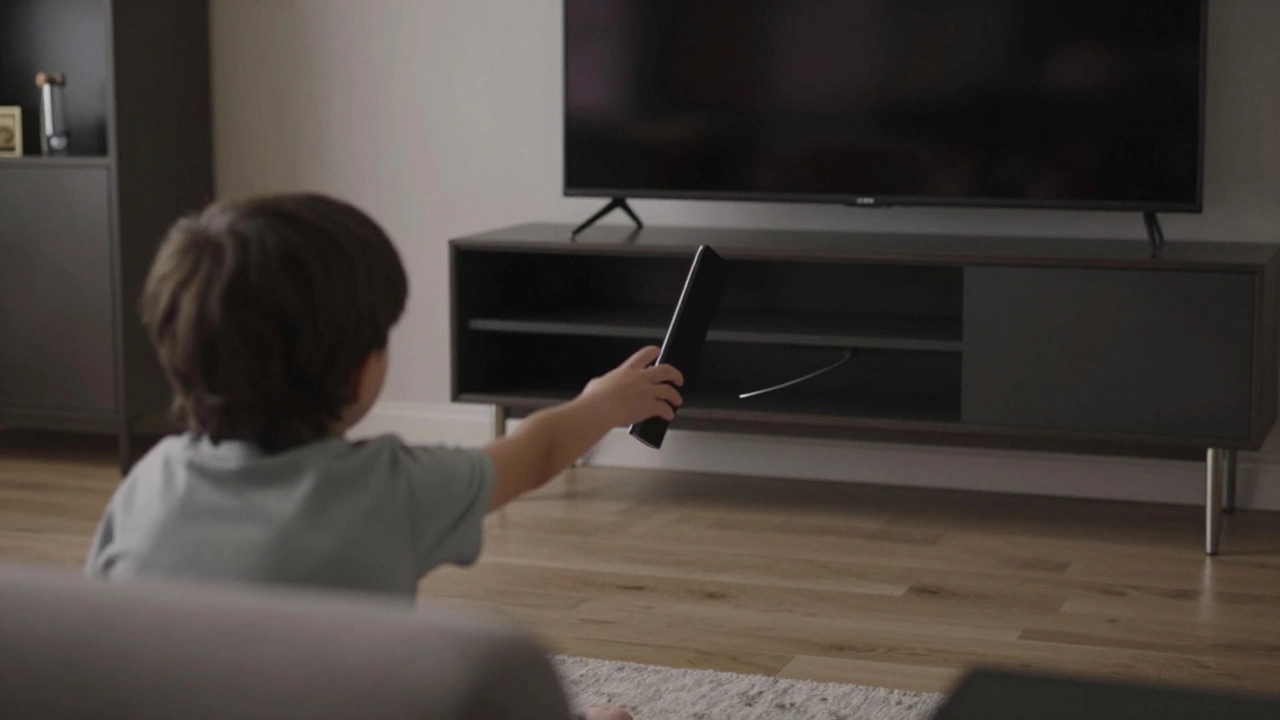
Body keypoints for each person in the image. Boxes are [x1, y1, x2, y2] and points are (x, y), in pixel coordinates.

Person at [85, 193, 677, 720]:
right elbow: (538, 450)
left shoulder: (147, 484)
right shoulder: (391, 488)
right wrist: (602, 403)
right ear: (361, 369)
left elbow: (102, 645)